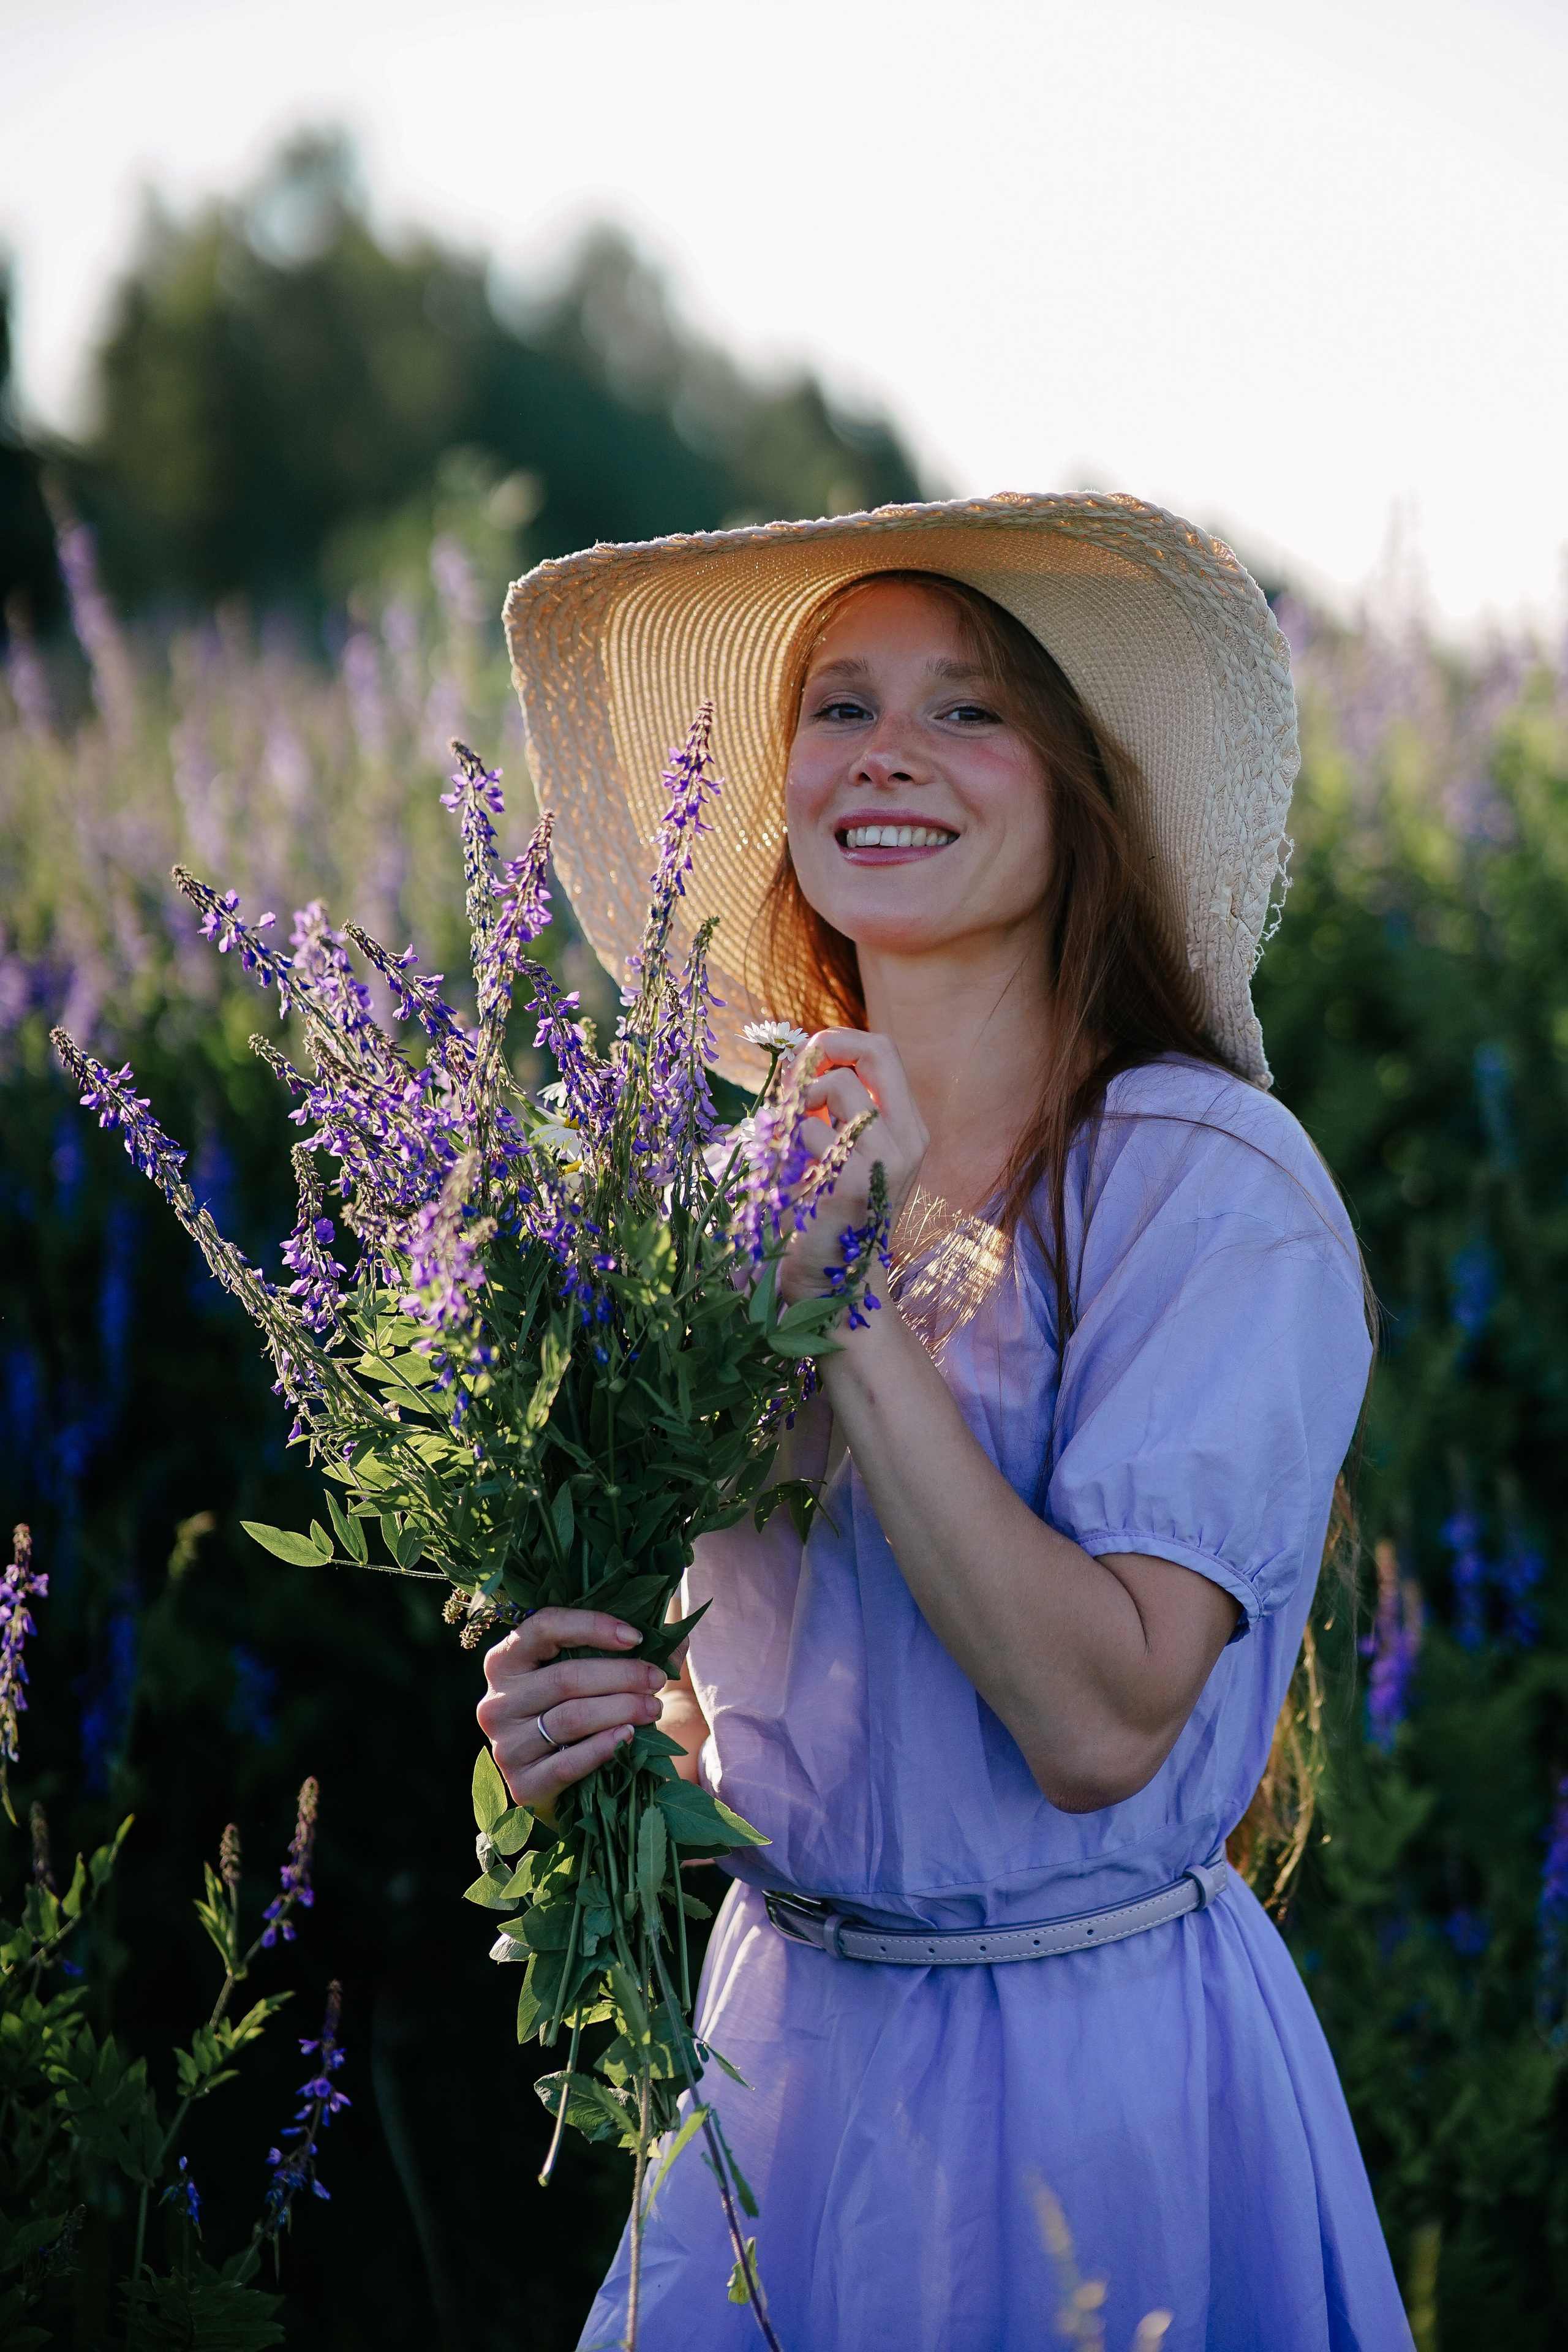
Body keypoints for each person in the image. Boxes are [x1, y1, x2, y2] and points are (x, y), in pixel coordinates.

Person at [479, 495, 1413, 2351]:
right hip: (789, 2074)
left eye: (970, 710)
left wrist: (850, 1307)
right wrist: (606, 1729)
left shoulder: (1207, 1184)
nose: (888, 754)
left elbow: (1095, 1723)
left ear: (1080, 793)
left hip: (1098, 2090)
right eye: (840, 706)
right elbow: (801, 1702)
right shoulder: (718, 1202)